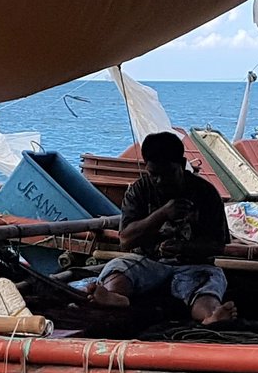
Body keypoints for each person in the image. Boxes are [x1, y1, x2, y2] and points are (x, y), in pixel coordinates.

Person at [93, 130, 238, 326]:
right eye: (154, 175)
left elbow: (218, 245)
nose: (159, 181)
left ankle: (211, 315)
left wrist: (185, 248)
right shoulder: (139, 190)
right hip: (147, 262)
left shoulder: (206, 193)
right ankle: (115, 297)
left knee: (209, 284)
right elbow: (125, 240)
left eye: (167, 174)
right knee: (118, 269)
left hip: (193, 266)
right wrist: (161, 214)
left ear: (182, 165)